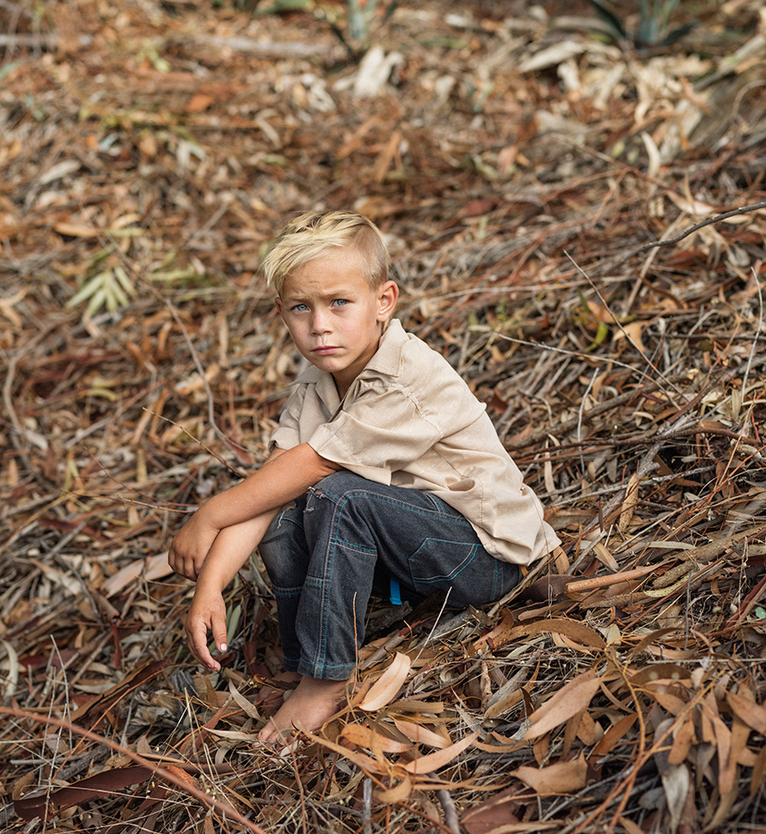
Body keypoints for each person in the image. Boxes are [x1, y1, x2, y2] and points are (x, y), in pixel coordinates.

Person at [168, 210, 560, 743]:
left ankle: (326, 680)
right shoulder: (316, 383)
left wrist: (207, 515)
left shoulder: (403, 378)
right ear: (281, 313)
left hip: (485, 560)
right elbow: (270, 488)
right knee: (287, 503)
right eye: (301, 308)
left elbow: (315, 467)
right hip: (414, 554)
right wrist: (210, 585)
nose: (319, 325)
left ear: (384, 301)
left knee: (336, 494)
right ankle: (303, 652)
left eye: (338, 303)